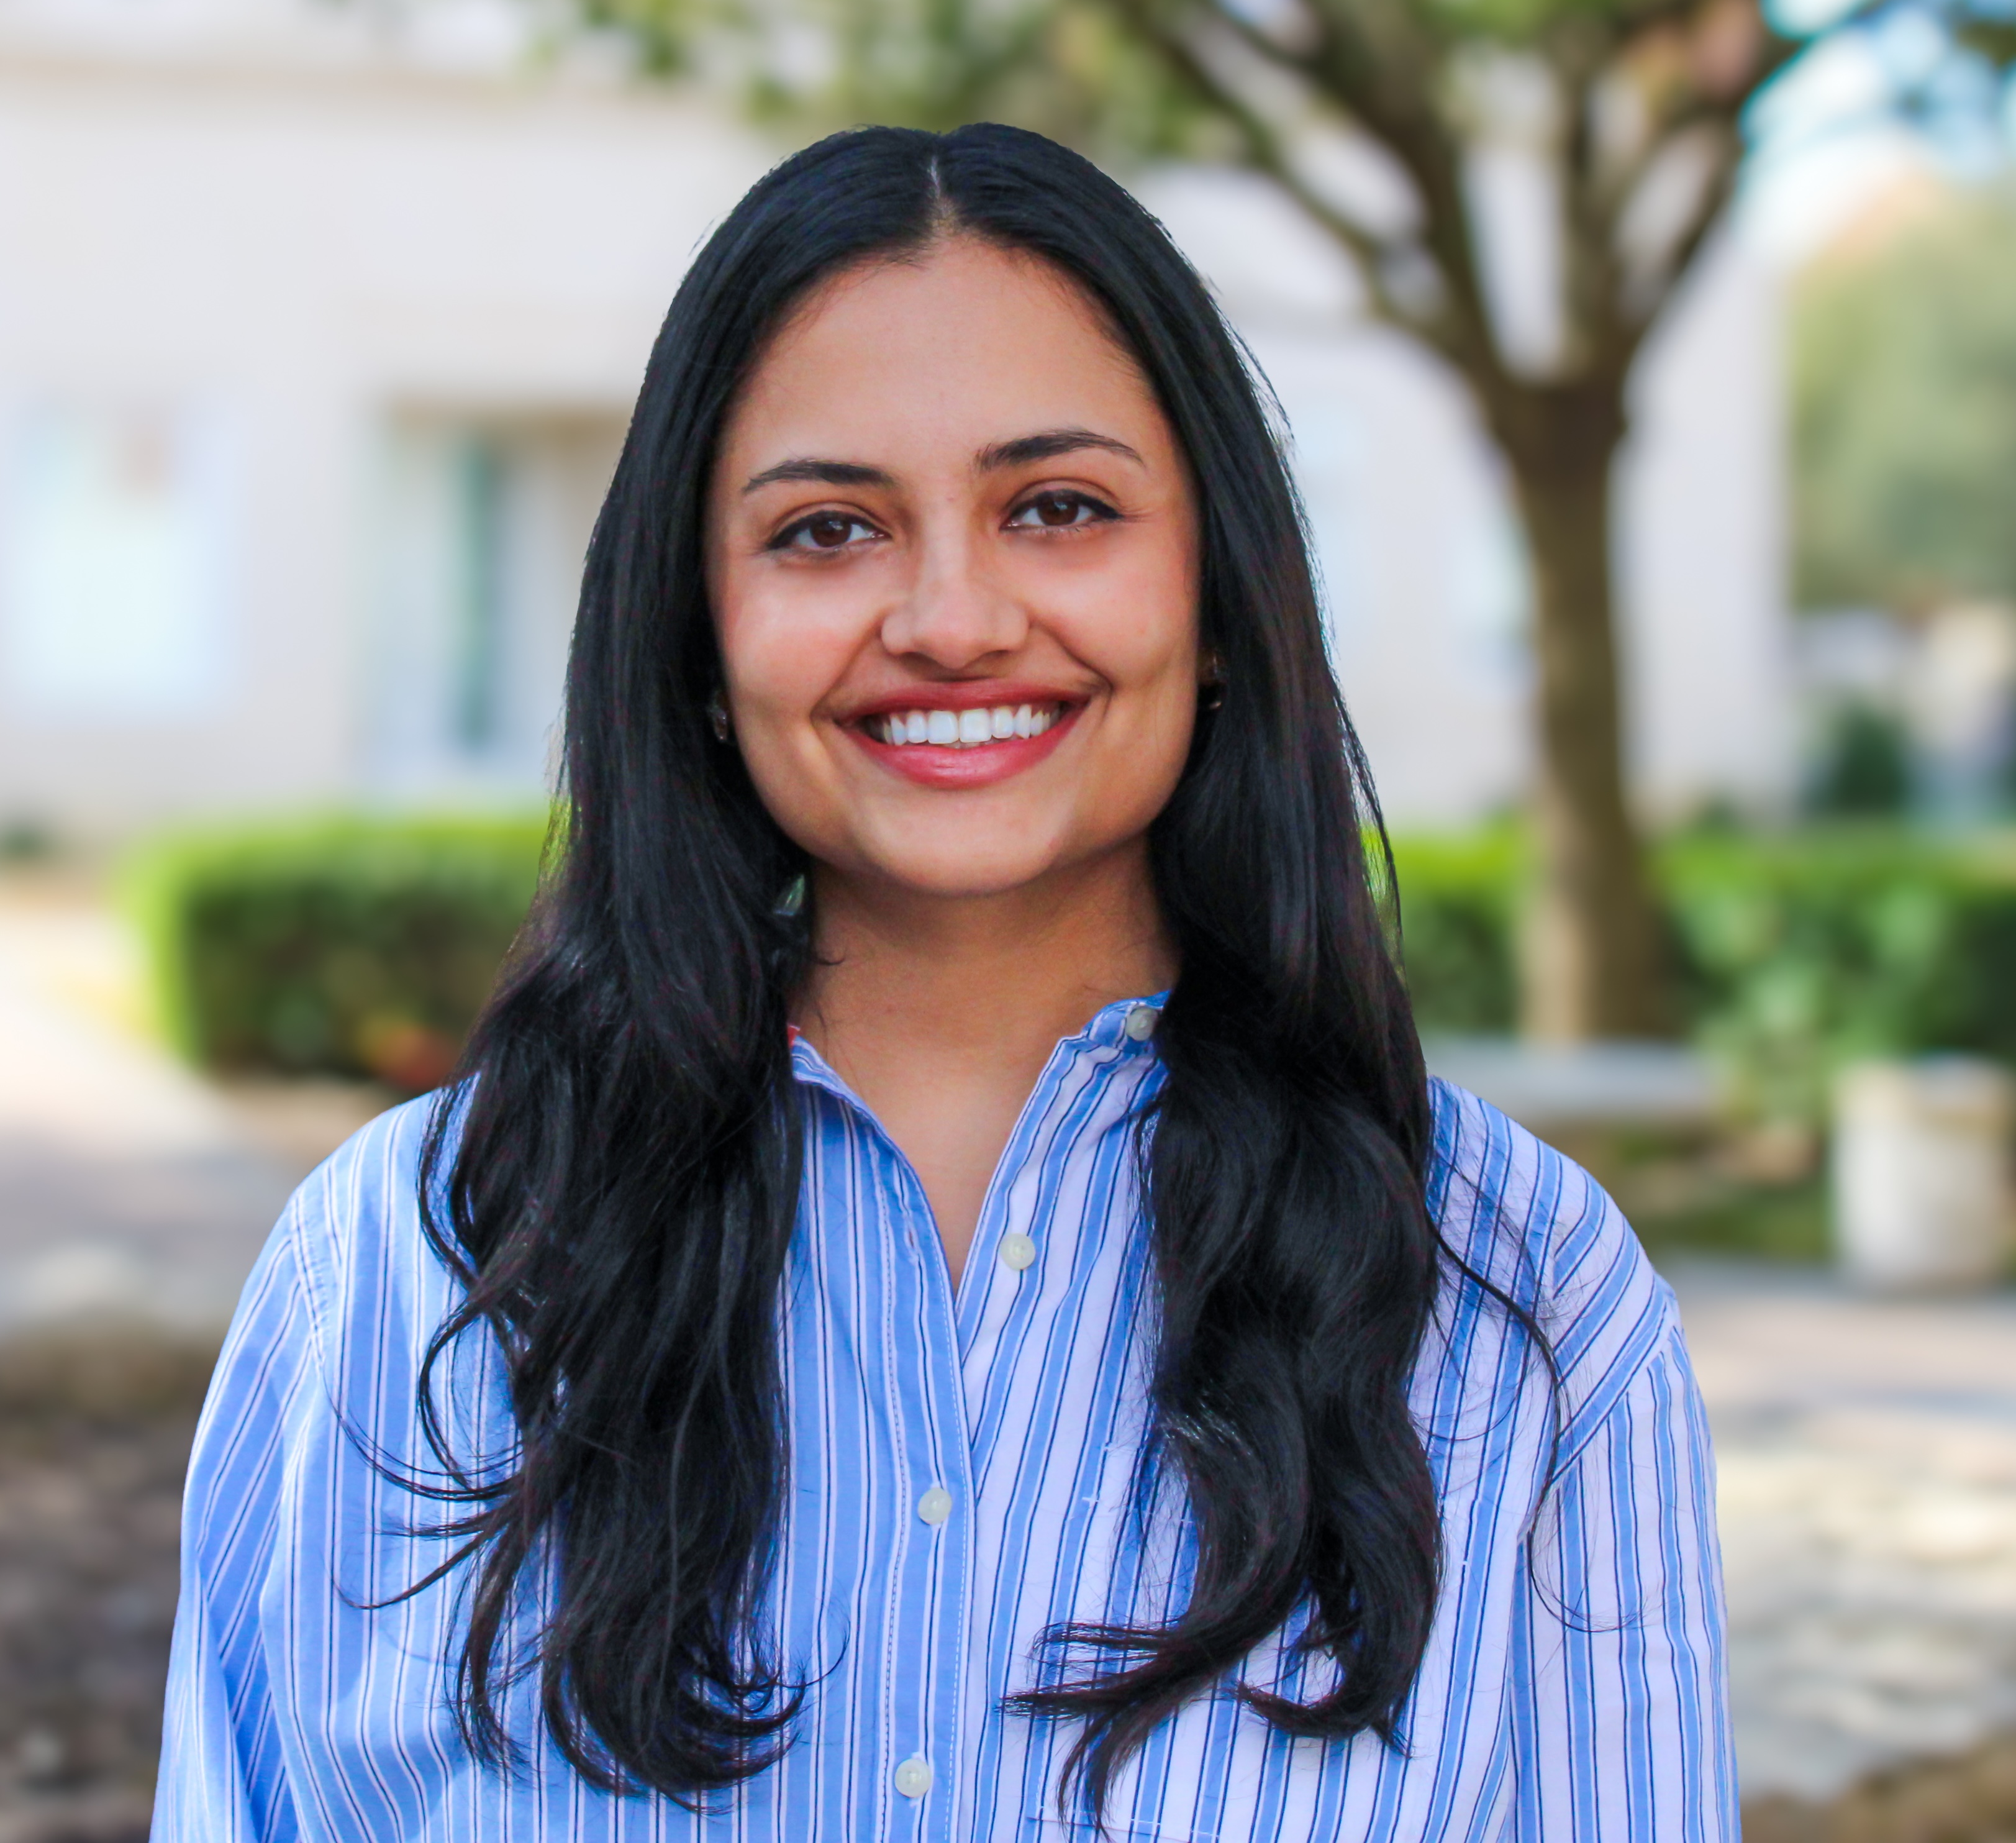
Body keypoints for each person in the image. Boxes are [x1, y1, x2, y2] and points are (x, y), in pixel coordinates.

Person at [153, 124, 1734, 1842]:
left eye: (1058, 508)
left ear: (1216, 592)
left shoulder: (1521, 1294)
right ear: (697, 631)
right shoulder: (404, 1264)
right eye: (828, 528)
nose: (953, 615)